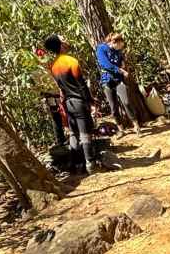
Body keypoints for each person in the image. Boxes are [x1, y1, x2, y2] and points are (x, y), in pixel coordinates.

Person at [44, 34, 110, 175]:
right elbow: (81, 84)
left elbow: (61, 87)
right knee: (85, 133)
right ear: (60, 45)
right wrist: (90, 101)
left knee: (73, 134)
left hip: (68, 103)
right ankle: (90, 164)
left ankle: (75, 164)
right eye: (63, 40)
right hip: (79, 102)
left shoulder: (53, 66)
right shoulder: (71, 61)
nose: (66, 41)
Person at [95, 32, 142, 138]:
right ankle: (120, 129)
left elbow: (121, 62)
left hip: (119, 80)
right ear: (114, 42)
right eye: (120, 45)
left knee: (126, 102)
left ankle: (136, 125)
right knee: (113, 107)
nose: (120, 48)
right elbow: (105, 64)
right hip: (107, 81)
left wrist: (123, 66)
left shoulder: (118, 52)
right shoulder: (101, 48)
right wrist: (120, 70)